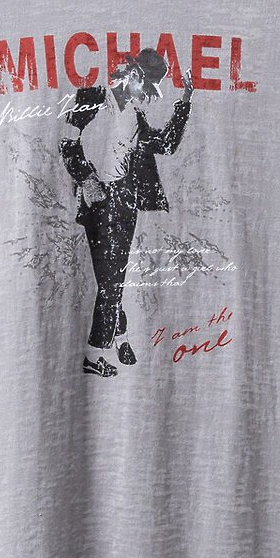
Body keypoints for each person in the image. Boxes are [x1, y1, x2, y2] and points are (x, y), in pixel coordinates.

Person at [59, 48, 194, 376]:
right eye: (147, 86)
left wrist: (185, 101)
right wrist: (86, 178)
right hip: (94, 200)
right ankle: (115, 339)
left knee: (111, 283)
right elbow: (67, 142)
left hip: (122, 203)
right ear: (133, 75)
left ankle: (99, 351)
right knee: (108, 281)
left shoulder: (136, 115)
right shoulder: (93, 98)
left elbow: (166, 145)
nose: (148, 95)